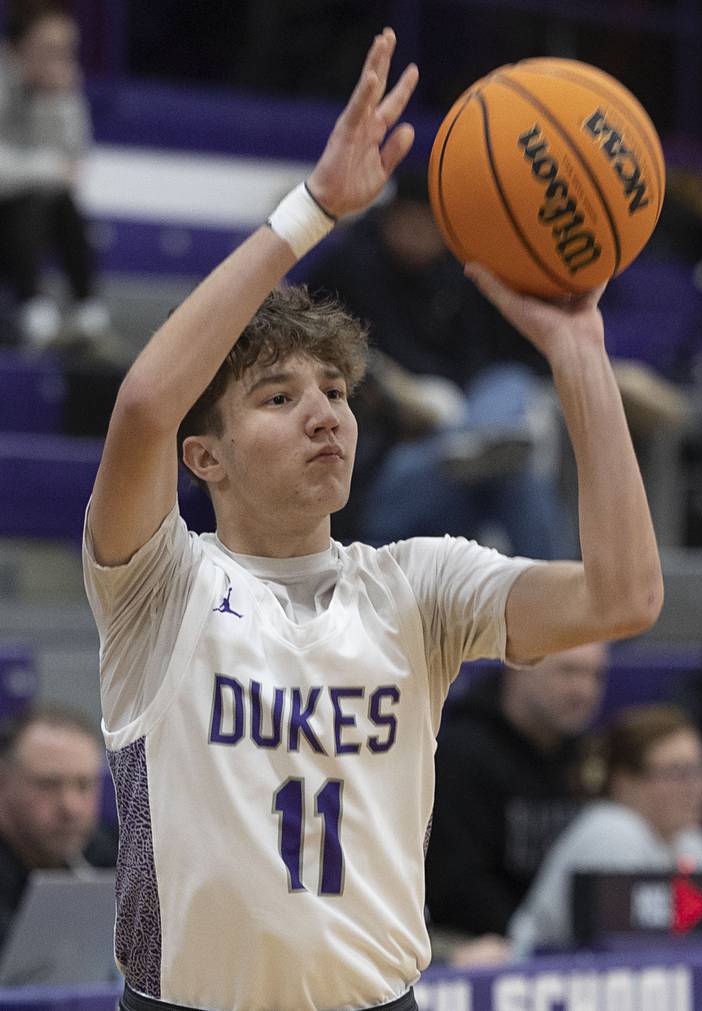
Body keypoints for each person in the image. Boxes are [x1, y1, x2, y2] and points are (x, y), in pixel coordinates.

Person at [82, 28, 662, 1011]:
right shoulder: (161, 583)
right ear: (204, 455)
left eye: (337, 393)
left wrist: (576, 352)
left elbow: (623, 596)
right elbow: (144, 405)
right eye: (277, 397)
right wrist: (311, 212)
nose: (324, 413)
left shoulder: (413, 584)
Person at [307, 169, 568, 559]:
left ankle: (478, 441)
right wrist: (403, 398)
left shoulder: (461, 274)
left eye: (430, 223)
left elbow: (501, 360)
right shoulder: (351, 267)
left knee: (510, 399)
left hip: (456, 448)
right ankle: (569, 606)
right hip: (384, 473)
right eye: (409, 218)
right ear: (390, 215)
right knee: (513, 469)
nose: (418, 232)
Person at [507, 704, 702, 957]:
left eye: (701, 770)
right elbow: (628, 964)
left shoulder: (694, 842)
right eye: (678, 772)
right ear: (624, 782)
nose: (697, 787)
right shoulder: (610, 831)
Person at [424, 642, 609, 955]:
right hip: (474, 946)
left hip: (563, 948)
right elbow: (455, 886)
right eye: (569, 672)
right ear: (519, 664)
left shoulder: (591, 755)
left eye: (596, 676)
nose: (584, 691)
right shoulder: (459, 752)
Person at [0, 0, 112, 351]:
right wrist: (47, 169)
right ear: (17, 47)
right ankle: (35, 312)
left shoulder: (63, 90)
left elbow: (74, 162)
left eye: (67, 51)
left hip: (39, 216)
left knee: (60, 203)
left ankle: (86, 314)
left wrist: (59, 99)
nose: (60, 60)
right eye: (50, 49)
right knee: (32, 200)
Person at [0, 702, 116, 947]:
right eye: (48, 785)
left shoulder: (110, 856)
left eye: (84, 785)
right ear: (4, 783)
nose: (70, 807)